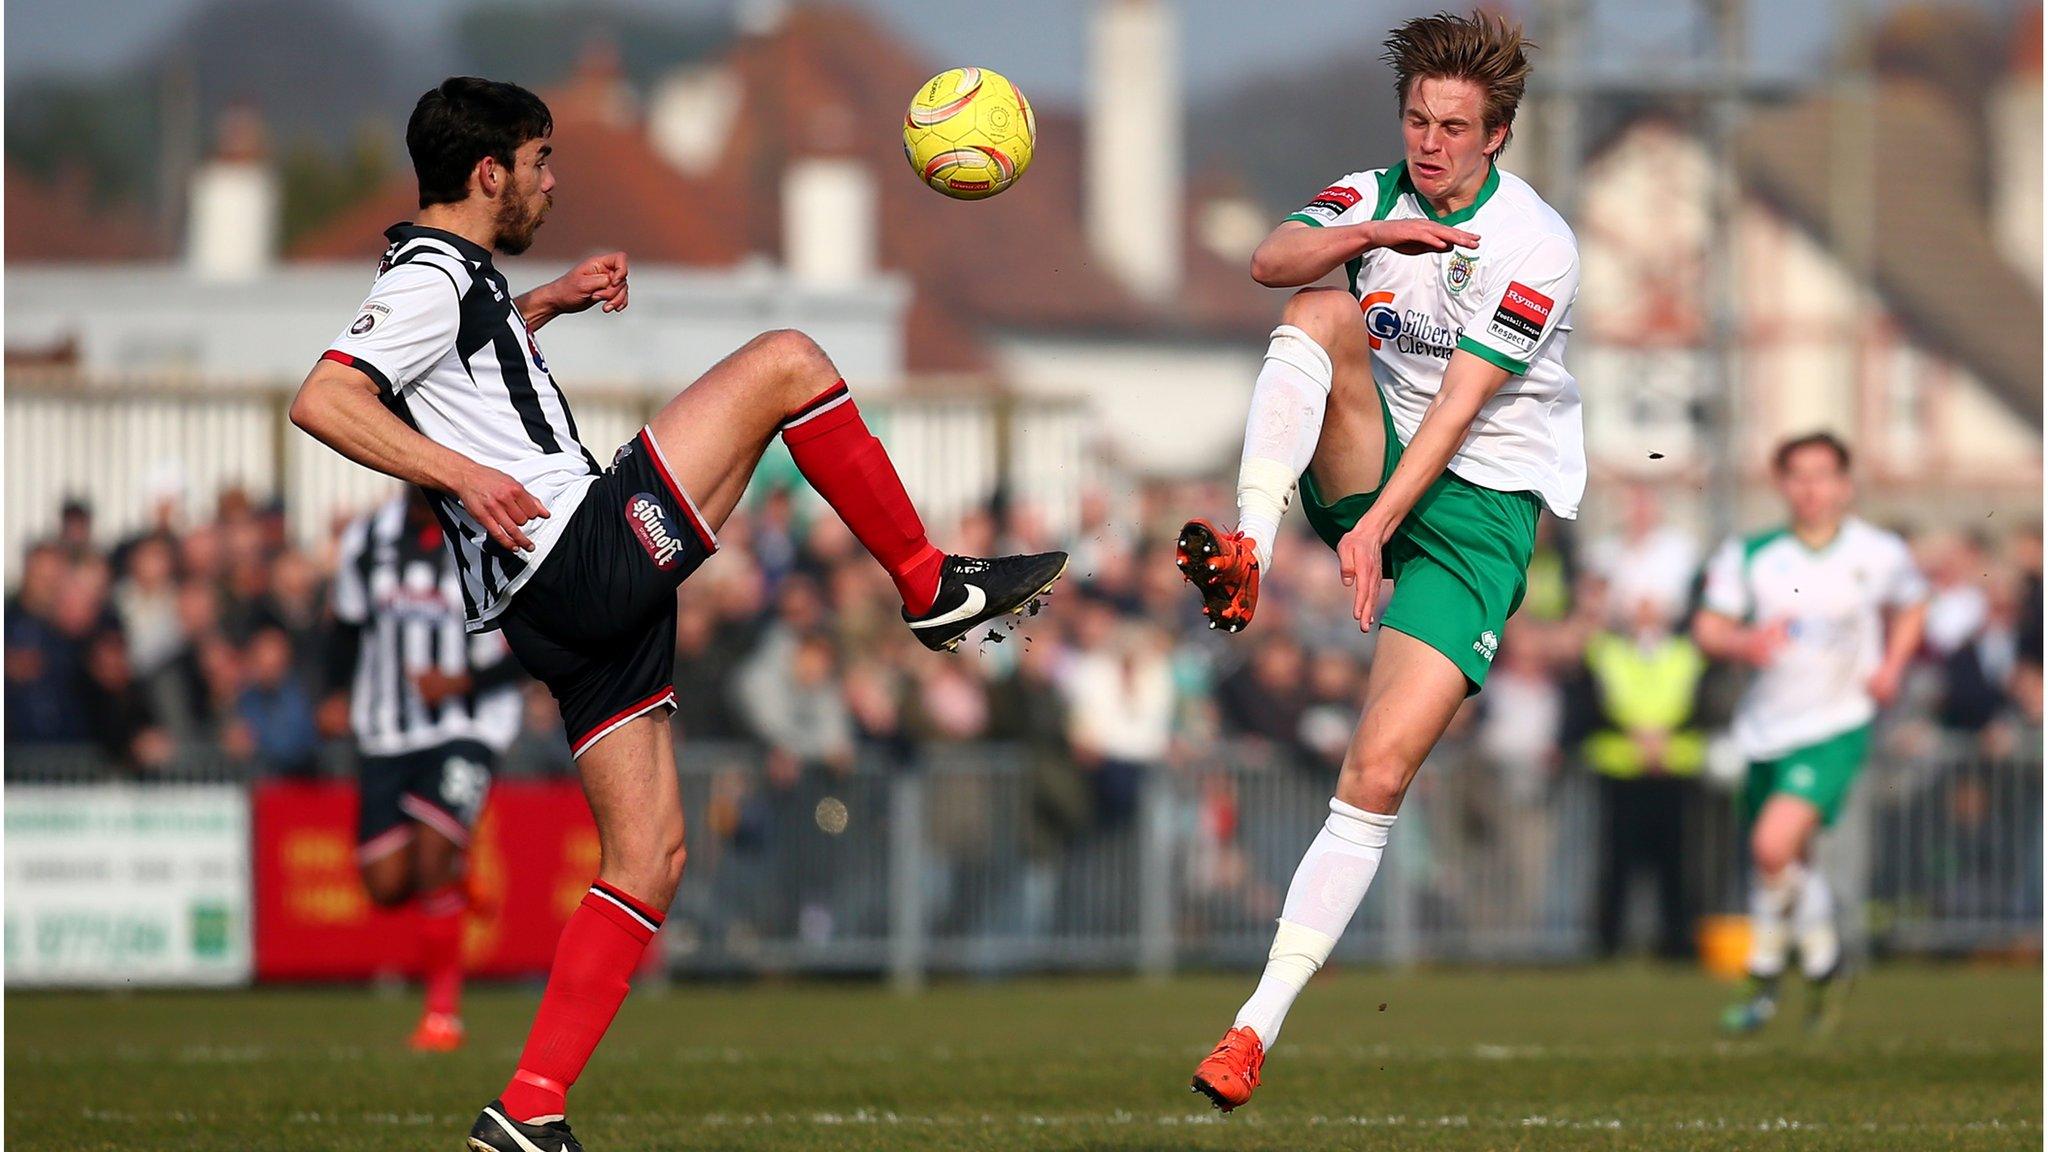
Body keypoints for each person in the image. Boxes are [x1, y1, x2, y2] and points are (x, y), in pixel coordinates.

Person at [288, 77, 1065, 1152]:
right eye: (539, 163)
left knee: (646, 859)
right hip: (575, 557)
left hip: (547, 611)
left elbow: (460, 363)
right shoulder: (428, 275)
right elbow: (324, 396)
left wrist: (546, 303)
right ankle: (930, 588)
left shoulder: (459, 281)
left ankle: (528, 1110)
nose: (551, 183)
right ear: (487, 174)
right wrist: (457, 476)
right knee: (791, 361)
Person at [1172, 11, 1583, 1111]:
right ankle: (1246, 546)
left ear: (1497, 135)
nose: (1430, 142)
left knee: (1377, 773)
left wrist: (1370, 528)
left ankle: (1252, 1027)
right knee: (1315, 305)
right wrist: (1366, 241)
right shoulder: (1370, 193)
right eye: (1416, 119)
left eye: (1454, 125)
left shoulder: (1534, 245)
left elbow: (1457, 413)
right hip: (1373, 455)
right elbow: (1267, 259)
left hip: (1478, 512)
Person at [1695, 432, 1926, 1035]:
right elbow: (1708, 629)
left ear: (1845, 484)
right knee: (1788, 863)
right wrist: (1744, 641)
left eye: (1822, 474)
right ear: (1781, 483)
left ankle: (1765, 971)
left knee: (1772, 846)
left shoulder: (1877, 551)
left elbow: (1914, 604)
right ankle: (1825, 966)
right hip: (1765, 728)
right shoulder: (1751, 553)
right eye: (1798, 475)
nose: (1811, 488)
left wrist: (1893, 667)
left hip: (1836, 725)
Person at [326, 488, 526, 1052]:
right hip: (387, 728)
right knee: (385, 884)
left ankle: (442, 1016)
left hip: (469, 723)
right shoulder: (367, 539)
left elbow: (536, 639)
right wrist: (334, 693)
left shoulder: (489, 531)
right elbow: (344, 626)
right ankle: (458, 876)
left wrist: (465, 683)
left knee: (432, 853)